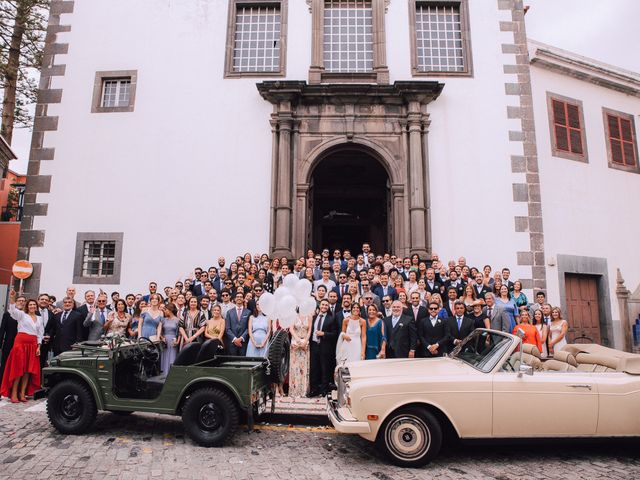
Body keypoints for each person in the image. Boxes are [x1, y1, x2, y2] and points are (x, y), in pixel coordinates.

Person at [0, 289, 44, 403]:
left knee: (28, 371)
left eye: (34, 304)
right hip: (21, 343)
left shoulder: (39, 319)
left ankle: (22, 393)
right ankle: (14, 393)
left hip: (33, 344)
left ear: (36, 306)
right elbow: (13, 310)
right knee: (18, 368)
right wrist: (12, 298)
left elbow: (40, 334)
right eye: (30, 305)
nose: (32, 306)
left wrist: (39, 346)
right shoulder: (21, 315)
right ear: (27, 306)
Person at [309, 299, 338, 396]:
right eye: (323, 304)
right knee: (314, 368)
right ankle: (314, 390)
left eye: (326, 305)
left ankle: (324, 391)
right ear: (319, 306)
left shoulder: (331, 318)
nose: (324, 306)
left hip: (325, 347)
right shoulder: (314, 317)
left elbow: (334, 334)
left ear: (328, 307)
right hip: (314, 346)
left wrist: (324, 333)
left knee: (324, 369)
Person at [0, 295, 22, 390]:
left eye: (23, 301)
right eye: (19, 300)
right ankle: (1, 387)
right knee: (4, 366)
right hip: (9, 344)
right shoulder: (7, 314)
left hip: (21, 345)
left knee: (18, 367)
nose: (21, 302)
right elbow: (2, 330)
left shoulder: (25, 315)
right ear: (15, 302)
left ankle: (14, 388)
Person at [289, 313, 311, 398]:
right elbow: (291, 329)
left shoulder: (309, 316)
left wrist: (305, 341)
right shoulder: (293, 315)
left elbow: (309, 330)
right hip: (295, 342)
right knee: (295, 367)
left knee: (303, 367)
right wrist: (298, 340)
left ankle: (303, 391)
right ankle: (295, 391)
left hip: (305, 342)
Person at [225, 291, 251, 356]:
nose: (239, 298)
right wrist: (235, 339)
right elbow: (227, 328)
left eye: (241, 297)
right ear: (235, 299)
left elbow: (248, 328)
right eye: (237, 297)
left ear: (243, 299)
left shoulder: (248, 312)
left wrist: (241, 338)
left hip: (243, 342)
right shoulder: (229, 312)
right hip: (232, 342)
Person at [159, 303, 180, 373]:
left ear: (170, 310)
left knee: (172, 358)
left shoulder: (177, 320)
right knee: (164, 357)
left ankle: (172, 373)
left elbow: (179, 333)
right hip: (165, 341)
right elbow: (160, 331)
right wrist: (162, 338)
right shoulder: (163, 320)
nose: (164, 311)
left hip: (173, 340)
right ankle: (164, 374)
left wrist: (177, 341)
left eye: (165, 310)